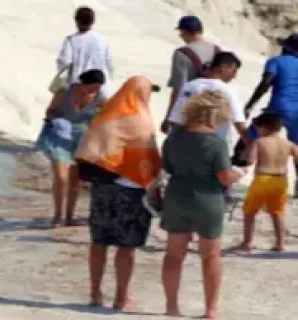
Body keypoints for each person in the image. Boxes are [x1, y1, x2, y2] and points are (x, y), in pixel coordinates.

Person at [75, 76, 161, 311]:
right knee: (127, 246)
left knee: (99, 242)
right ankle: (121, 298)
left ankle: (95, 293)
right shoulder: (142, 120)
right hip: (132, 191)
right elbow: (149, 159)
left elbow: (89, 149)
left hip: (103, 188)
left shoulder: (106, 116)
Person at [160, 91, 245, 320]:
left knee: (174, 254)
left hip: (177, 196)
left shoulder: (173, 139)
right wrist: (239, 173)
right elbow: (223, 177)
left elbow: (167, 167)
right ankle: (211, 310)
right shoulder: (215, 143)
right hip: (208, 199)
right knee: (210, 256)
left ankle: (171, 307)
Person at [35, 70, 112, 227]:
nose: (95, 91)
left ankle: (69, 216)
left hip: (81, 139)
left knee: (74, 181)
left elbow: (110, 116)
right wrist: (54, 120)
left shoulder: (101, 98)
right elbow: (49, 110)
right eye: (92, 87)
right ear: (83, 83)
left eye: (98, 88)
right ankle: (58, 215)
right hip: (59, 136)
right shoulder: (64, 92)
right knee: (61, 178)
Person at [233, 112, 298, 252]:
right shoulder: (288, 144)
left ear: (265, 127)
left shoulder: (259, 142)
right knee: (278, 212)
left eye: (258, 128)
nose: (257, 131)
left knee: (250, 211)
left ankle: (247, 242)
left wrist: (244, 154)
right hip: (281, 180)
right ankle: (280, 244)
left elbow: (250, 161)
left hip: (262, 179)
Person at [244, 33, 298, 179]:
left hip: (277, 109)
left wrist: (250, 104)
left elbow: (265, 83)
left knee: (248, 139)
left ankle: (227, 182)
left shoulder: (276, 61)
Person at [167, 51, 248, 140]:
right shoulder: (229, 91)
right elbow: (239, 123)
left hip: (184, 142)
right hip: (213, 145)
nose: (234, 76)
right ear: (224, 68)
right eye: (234, 71)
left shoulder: (190, 86)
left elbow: (176, 119)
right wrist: (252, 144)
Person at [162, 15, 219, 133]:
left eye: (181, 32)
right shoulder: (217, 51)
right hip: (214, 110)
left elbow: (178, 88)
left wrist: (169, 117)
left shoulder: (182, 54)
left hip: (190, 111)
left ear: (186, 32)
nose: (180, 36)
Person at [53, 6, 113, 93]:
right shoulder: (102, 40)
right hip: (100, 88)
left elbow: (64, 62)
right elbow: (109, 63)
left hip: (78, 88)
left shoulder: (71, 40)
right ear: (93, 21)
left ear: (76, 21)